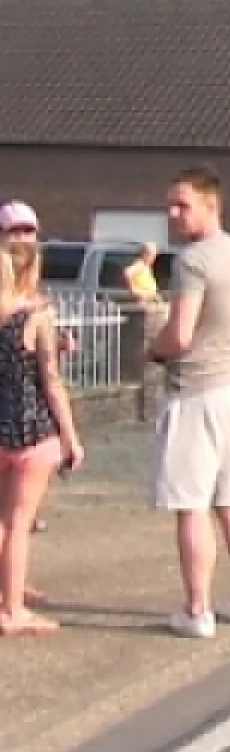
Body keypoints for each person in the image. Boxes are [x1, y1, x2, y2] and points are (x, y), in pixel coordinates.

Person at [146, 166, 230, 640]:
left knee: (191, 503)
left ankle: (197, 609)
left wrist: (153, 351)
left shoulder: (193, 261)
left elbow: (180, 335)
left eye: (183, 205)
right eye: (171, 205)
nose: (173, 214)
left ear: (210, 205)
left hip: (199, 389)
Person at [0, 241, 84, 637]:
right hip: (32, 432)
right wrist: (71, 437)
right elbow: (51, 382)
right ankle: (13, 610)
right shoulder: (38, 316)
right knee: (19, 524)